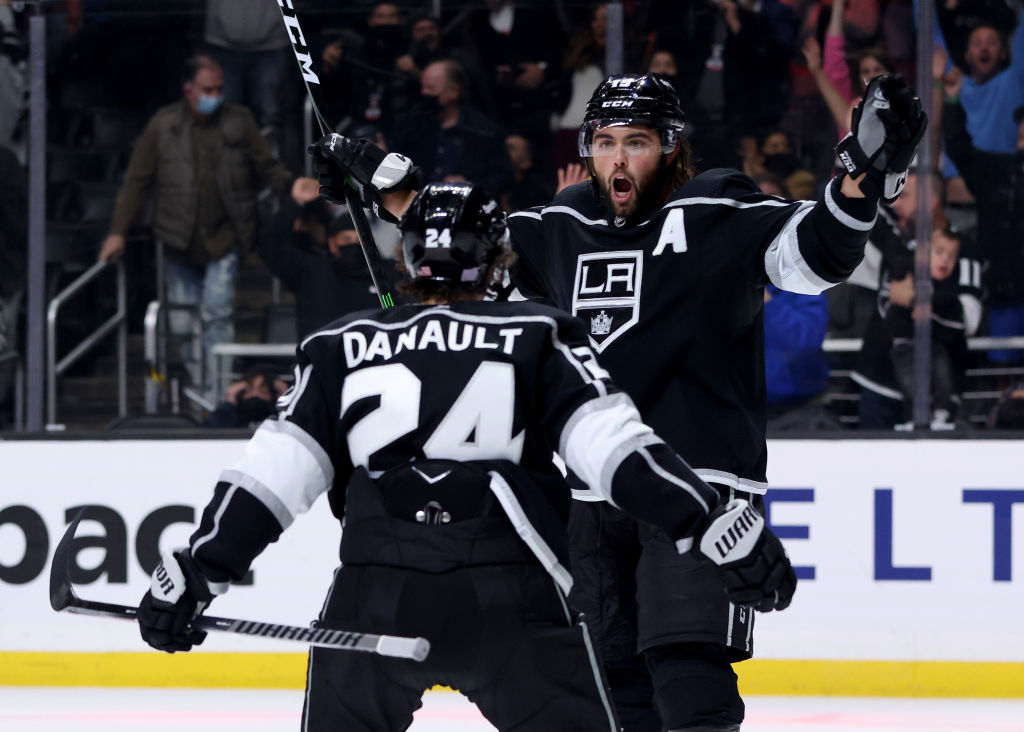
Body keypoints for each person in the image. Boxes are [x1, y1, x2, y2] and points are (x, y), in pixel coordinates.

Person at [307, 72, 925, 731]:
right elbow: (460, 237)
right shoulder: (558, 223)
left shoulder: (718, 208)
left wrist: (863, 176)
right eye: (605, 142)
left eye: (637, 141)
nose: (619, 160)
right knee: (609, 688)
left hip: (698, 483)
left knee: (688, 674)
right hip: (587, 498)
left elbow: (816, 254)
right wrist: (382, 181)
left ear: (672, 147)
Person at [135, 181, 796, 732]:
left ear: (406, 258)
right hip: (513, 600)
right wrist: (710, 521)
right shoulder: (536, 334)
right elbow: (620, 456)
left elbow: (272, 480)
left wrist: (196, 572)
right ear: (498, 259)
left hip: (375, 594)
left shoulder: (341, 345)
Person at [96, 54, 319, 401]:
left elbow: (267, 166)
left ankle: (217, 395)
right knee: (183, 326)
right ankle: (204, 389)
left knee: (217, 314)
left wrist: (290, 188)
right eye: (208, 89)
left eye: (219, 88)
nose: (215, 94)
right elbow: (136, 181)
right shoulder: (163, 124)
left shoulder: (239, 121)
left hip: (226, 235)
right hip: (177, 240)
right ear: (189, 90)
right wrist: (117, 231)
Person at [852, 226, 982, 430]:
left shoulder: (948, 286)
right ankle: (914, 418)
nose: (945, 261)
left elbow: (962, 320)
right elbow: (893, 308)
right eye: (939, 253)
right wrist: (913, 304)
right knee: (912, 384)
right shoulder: (903, 269)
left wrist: (927, 307)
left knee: (942, 378)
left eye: (951, 256)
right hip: (902, 349)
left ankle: (940, 416)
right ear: (922, 254)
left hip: (935, 348)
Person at [257, 190, 390, 339]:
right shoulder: (313, 273)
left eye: (361, 240)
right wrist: (294, 203)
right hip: (325, 358)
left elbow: (395, 313)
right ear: (332, 244)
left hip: (378, 358)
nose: (355, 245)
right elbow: (271, 249)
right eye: (346, 239)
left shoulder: (386, 278)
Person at [203, 363, 284, 429]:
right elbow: (210, 431)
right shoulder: (231, 417)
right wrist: (230, 402)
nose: (255, 395)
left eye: (263, 392)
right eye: (249, 391)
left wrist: (285, 399)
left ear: (274, 395)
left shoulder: (280, 417)